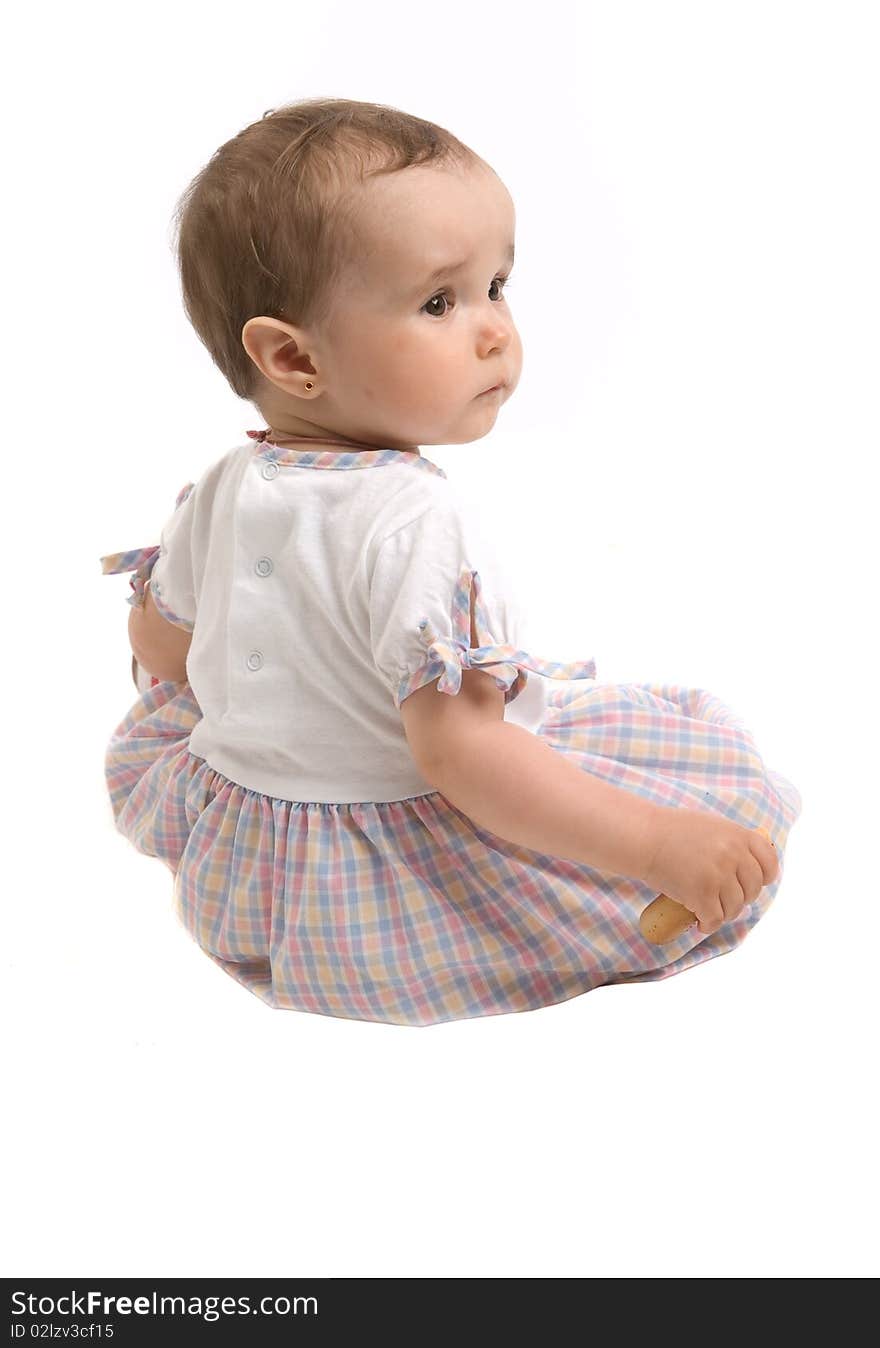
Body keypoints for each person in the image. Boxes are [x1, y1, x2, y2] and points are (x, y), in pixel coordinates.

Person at [99, 98, 802, 1028]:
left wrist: (275, 707)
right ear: (292, 357)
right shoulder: (414, 522)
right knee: (696, 788)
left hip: (258, 855)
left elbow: (160, 640)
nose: (494, 331)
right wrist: (659, 846)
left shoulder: (229, 482)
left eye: (497, 287)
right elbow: (467, 757)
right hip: (384, 870)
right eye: (440, 302)